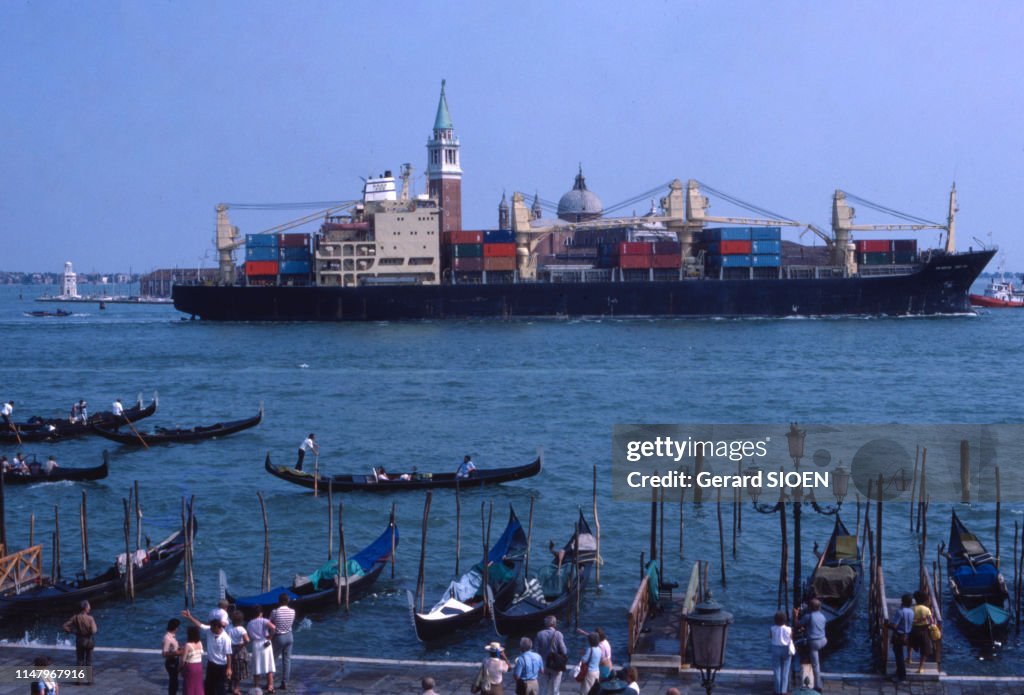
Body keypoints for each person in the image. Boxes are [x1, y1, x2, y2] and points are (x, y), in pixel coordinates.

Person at [180, 609, 233, 695]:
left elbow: (228, 655)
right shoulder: (210, 630)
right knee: (208, 686)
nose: (210, 629)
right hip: (211, 664)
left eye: (212, 627)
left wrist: (229, 668)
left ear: (217, 627)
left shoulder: (226, 638)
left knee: (220, 686)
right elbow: (200, 625)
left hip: (221, 665)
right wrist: (189, 617)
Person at [795, 598, 827, 693]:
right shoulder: (823, 616)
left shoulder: (808, 616)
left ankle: (818, 686)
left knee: (815, 665)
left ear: (810, 607)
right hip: (824, 640)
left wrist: (795, 615)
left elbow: (797, 625)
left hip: (814, 643)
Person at [62, 600, 97, 684]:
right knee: (89, 661)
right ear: (85, 608)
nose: (90, 608)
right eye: (88, 606)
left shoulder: (75, 617)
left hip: (79, 640)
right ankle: (90, 681)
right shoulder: (90, 618)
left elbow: (65, 626)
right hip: (88, 641)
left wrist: (72, 631)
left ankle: (79, 681)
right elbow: (94, 631)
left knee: (80, 660)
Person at [246, 606, 276, 693]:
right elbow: (273, 627)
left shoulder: (249, 623)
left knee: (257, 666)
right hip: (266, 642)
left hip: (256, 644)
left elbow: (249, 635)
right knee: (269, 665)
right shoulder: (264, 620)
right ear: (261, 613)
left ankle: (256, 686)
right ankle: (270, 686)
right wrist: (270, 636)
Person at [534, 615, 568, 695]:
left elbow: (536, 651)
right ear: (554, 624)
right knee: (555, 688)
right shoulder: (558, 634)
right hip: (555, 665)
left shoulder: (539, 634)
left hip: (543, 664)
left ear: (545, 624)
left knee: (543, 688)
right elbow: (564, 651)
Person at [270, 594, 296, 690]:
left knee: (273, 660)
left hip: (279, 637)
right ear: (288, 601)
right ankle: (285, 682)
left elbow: (270, 623)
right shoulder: (293, 611)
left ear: (279, 601)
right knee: (287, 660)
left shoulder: (275, 612)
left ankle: (270, 682)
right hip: (289, 636)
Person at [888, 593, 915, 682]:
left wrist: (887, 625)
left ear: (902, 601)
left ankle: (901, 676)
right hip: (908, 635)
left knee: (899, 655)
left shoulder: (900, 611)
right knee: (900, 654)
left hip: (899, 635)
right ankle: (899, 672)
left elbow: (894, 625)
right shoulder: (911, 611)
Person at [910, 590, 935, 674]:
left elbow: (910, 621)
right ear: (925, 600)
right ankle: (920, 668)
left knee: (910, 644)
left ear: (915, 599)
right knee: (924, 649)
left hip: (914, 629)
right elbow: (931, 621)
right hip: (924, 630)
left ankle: (909, 658)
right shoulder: (927, 609)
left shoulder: (912, 609)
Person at [769, 611, 793, 695]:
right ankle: (783, 691)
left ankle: (777, 690)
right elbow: (791, 638)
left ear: (775, 620)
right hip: (786, 649)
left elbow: (770, 636)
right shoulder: (789, 629)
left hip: (775, 648)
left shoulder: (772, 628)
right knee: (785, 671)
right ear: (785, 620)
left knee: (777, 670)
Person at [227, 610, 251, 695]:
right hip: (239, 650)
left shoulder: (228, 627)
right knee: (238, 670)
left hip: (229, 649)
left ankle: (230, 686)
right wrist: (242, 644)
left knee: (230, 668)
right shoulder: (241, 629)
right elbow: (247, 640)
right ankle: (236, 689)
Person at [180, 625, 204, 695]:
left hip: (190, 667)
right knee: (198, 684)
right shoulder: (200, 643)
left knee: (189, 684)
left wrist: (180, 668)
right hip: (199, 666)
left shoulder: (188, 645)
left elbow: (183, 659)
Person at [163, 618, 182, 695]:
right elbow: (164, 653)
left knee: (175, 682)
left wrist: (180, 648)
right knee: (173, 683)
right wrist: (177, 653)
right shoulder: (167, 638)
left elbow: (173, 648)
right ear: (175, 627)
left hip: (175, 661)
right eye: (177, 627)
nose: (178, 629)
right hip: (171, 663)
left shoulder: (172, 636)